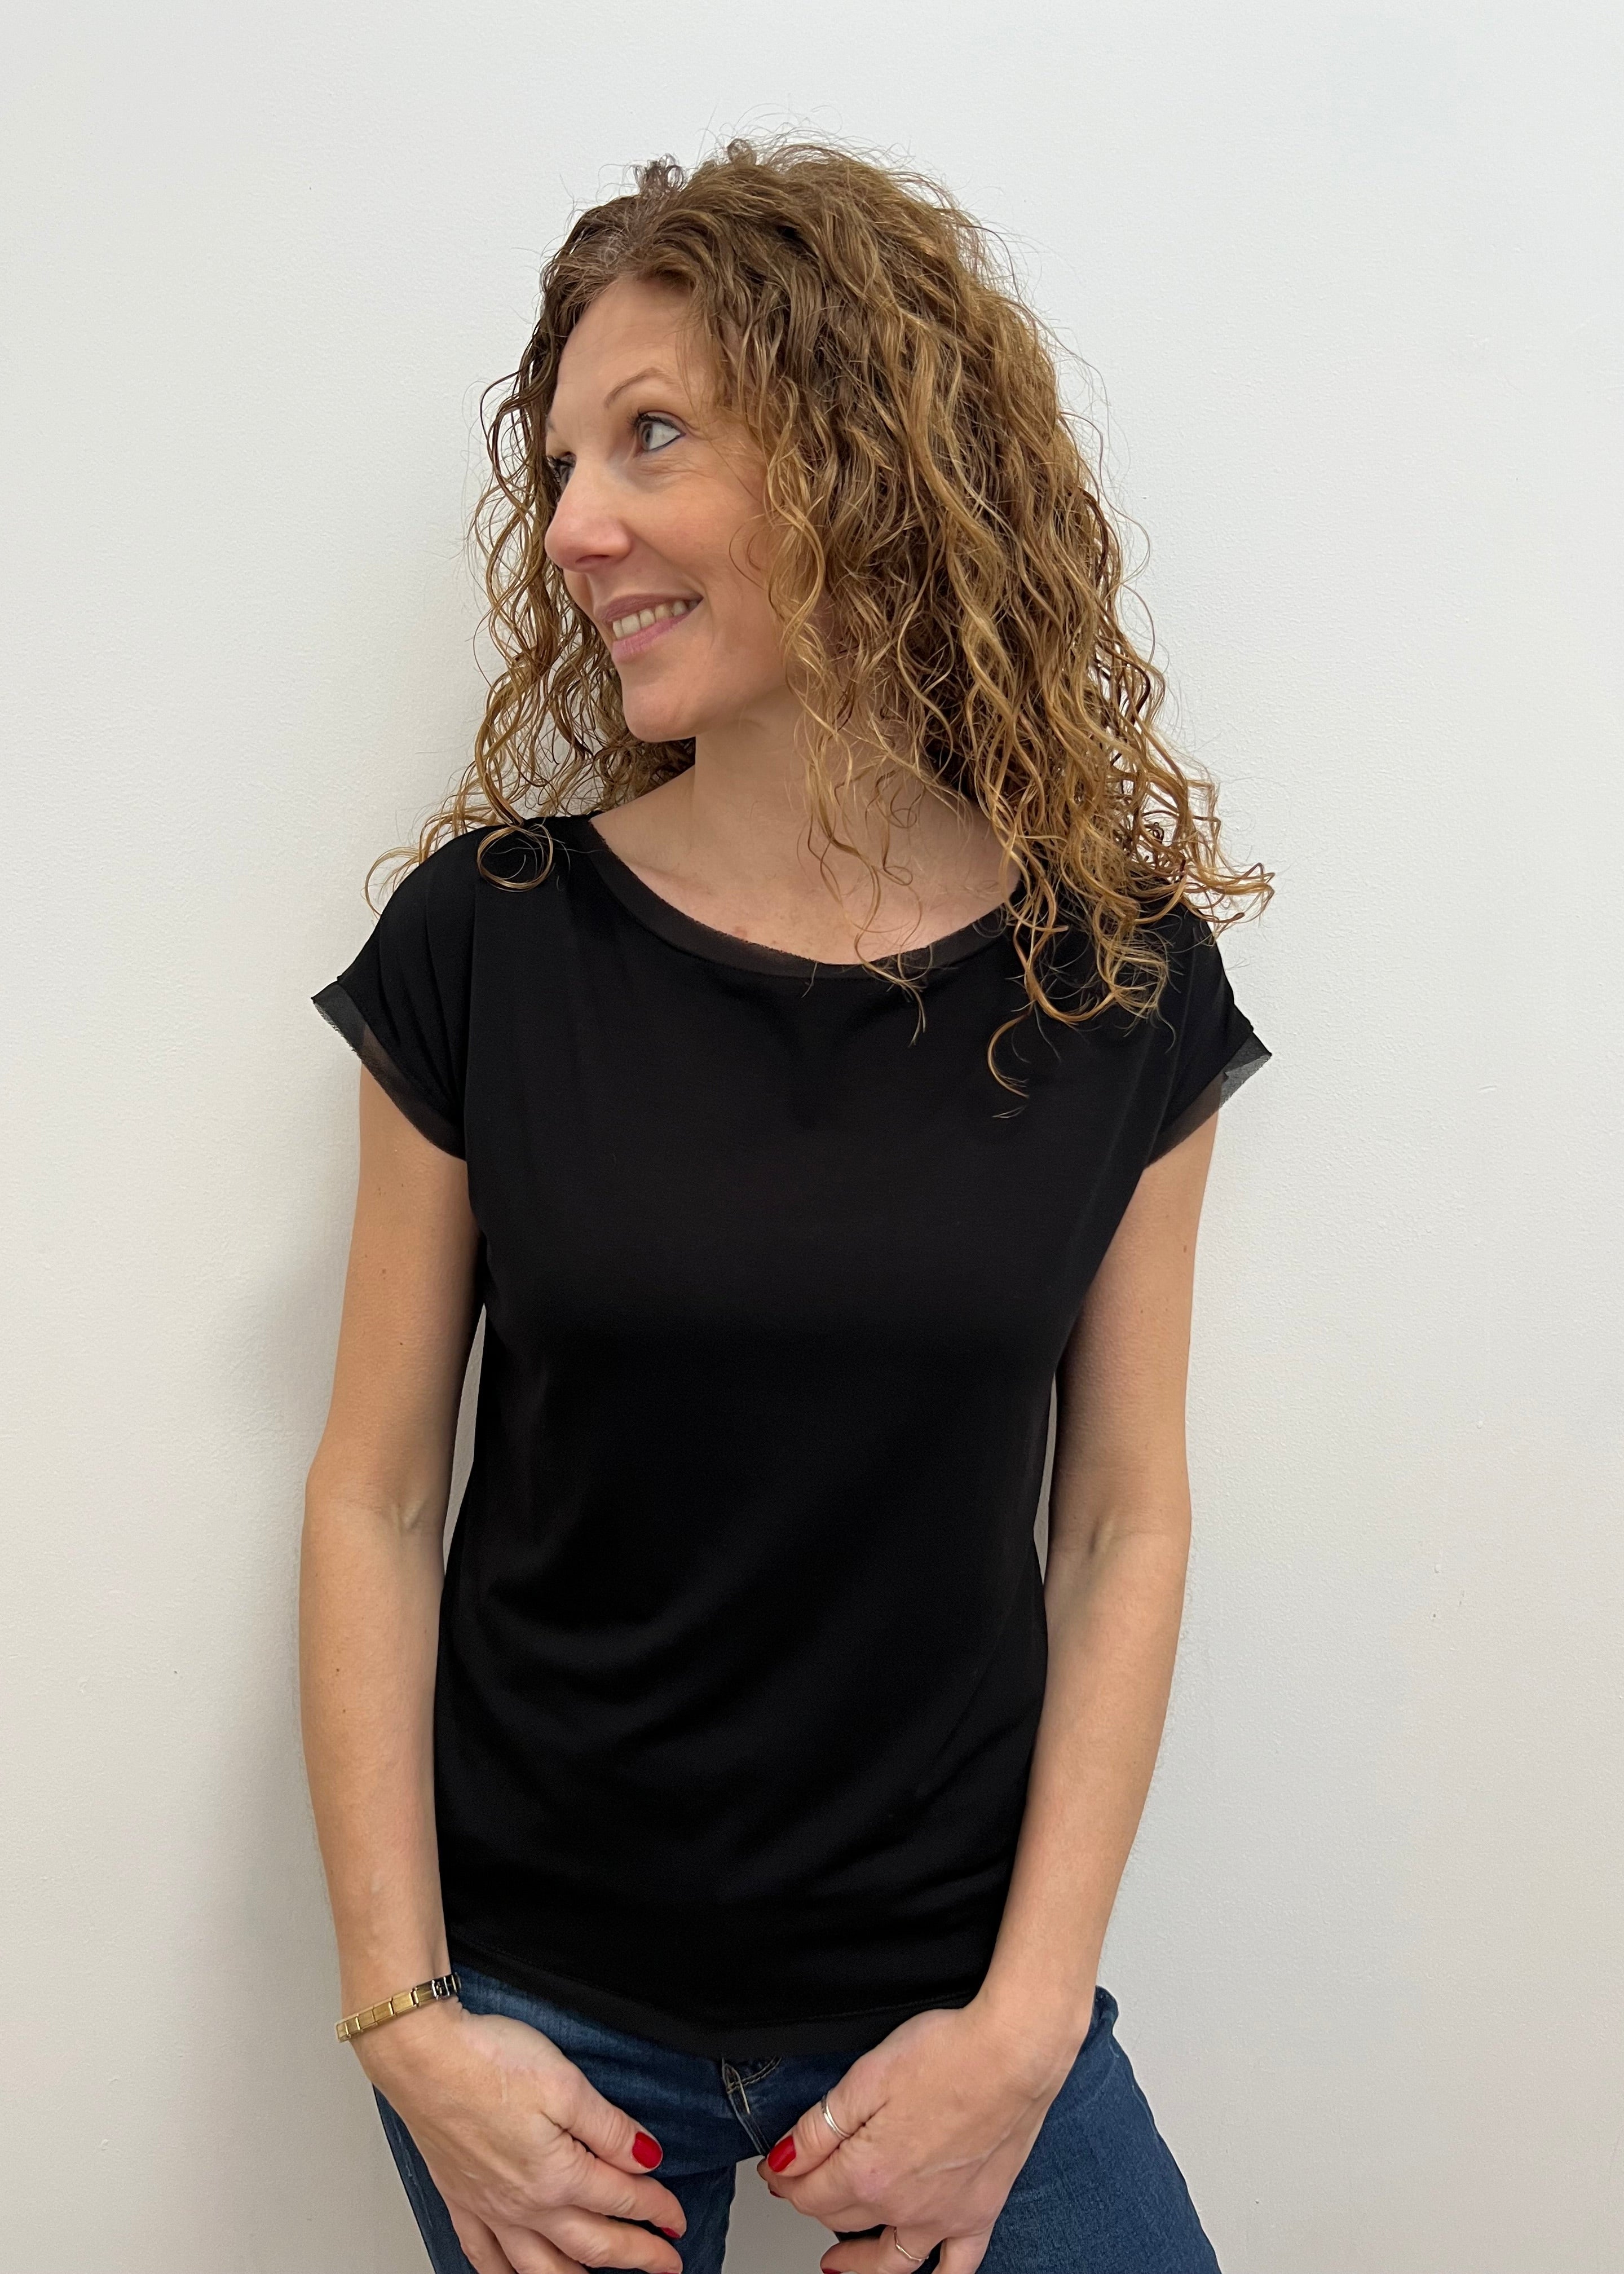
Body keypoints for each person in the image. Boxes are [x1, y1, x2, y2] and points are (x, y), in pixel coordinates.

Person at [300, 136, 1273, 2274]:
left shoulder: (1116, 986)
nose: (576, 526)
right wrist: (406, 2024)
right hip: (542, 2021)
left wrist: (1026, 2035)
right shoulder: (494, 941)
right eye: (561, 458)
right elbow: (374, 1496)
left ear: (865, 464)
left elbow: (1123, 1519)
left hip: (944, 1999)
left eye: (654, 437)